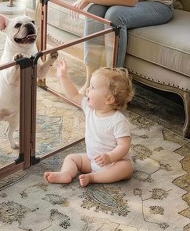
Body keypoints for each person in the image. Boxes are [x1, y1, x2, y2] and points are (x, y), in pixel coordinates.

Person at [44, 59, 134, 187]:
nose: (87, 90)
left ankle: (93, 177)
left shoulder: (118, 121)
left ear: (108, 99)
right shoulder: (89, 108)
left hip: (114, 163)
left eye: (92, 88)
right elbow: (74, 95)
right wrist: (63, 77)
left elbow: (124, 146)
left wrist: (109, 157)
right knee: (71, 158)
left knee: (125, 168)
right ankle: (66, 174)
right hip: (92, 160)